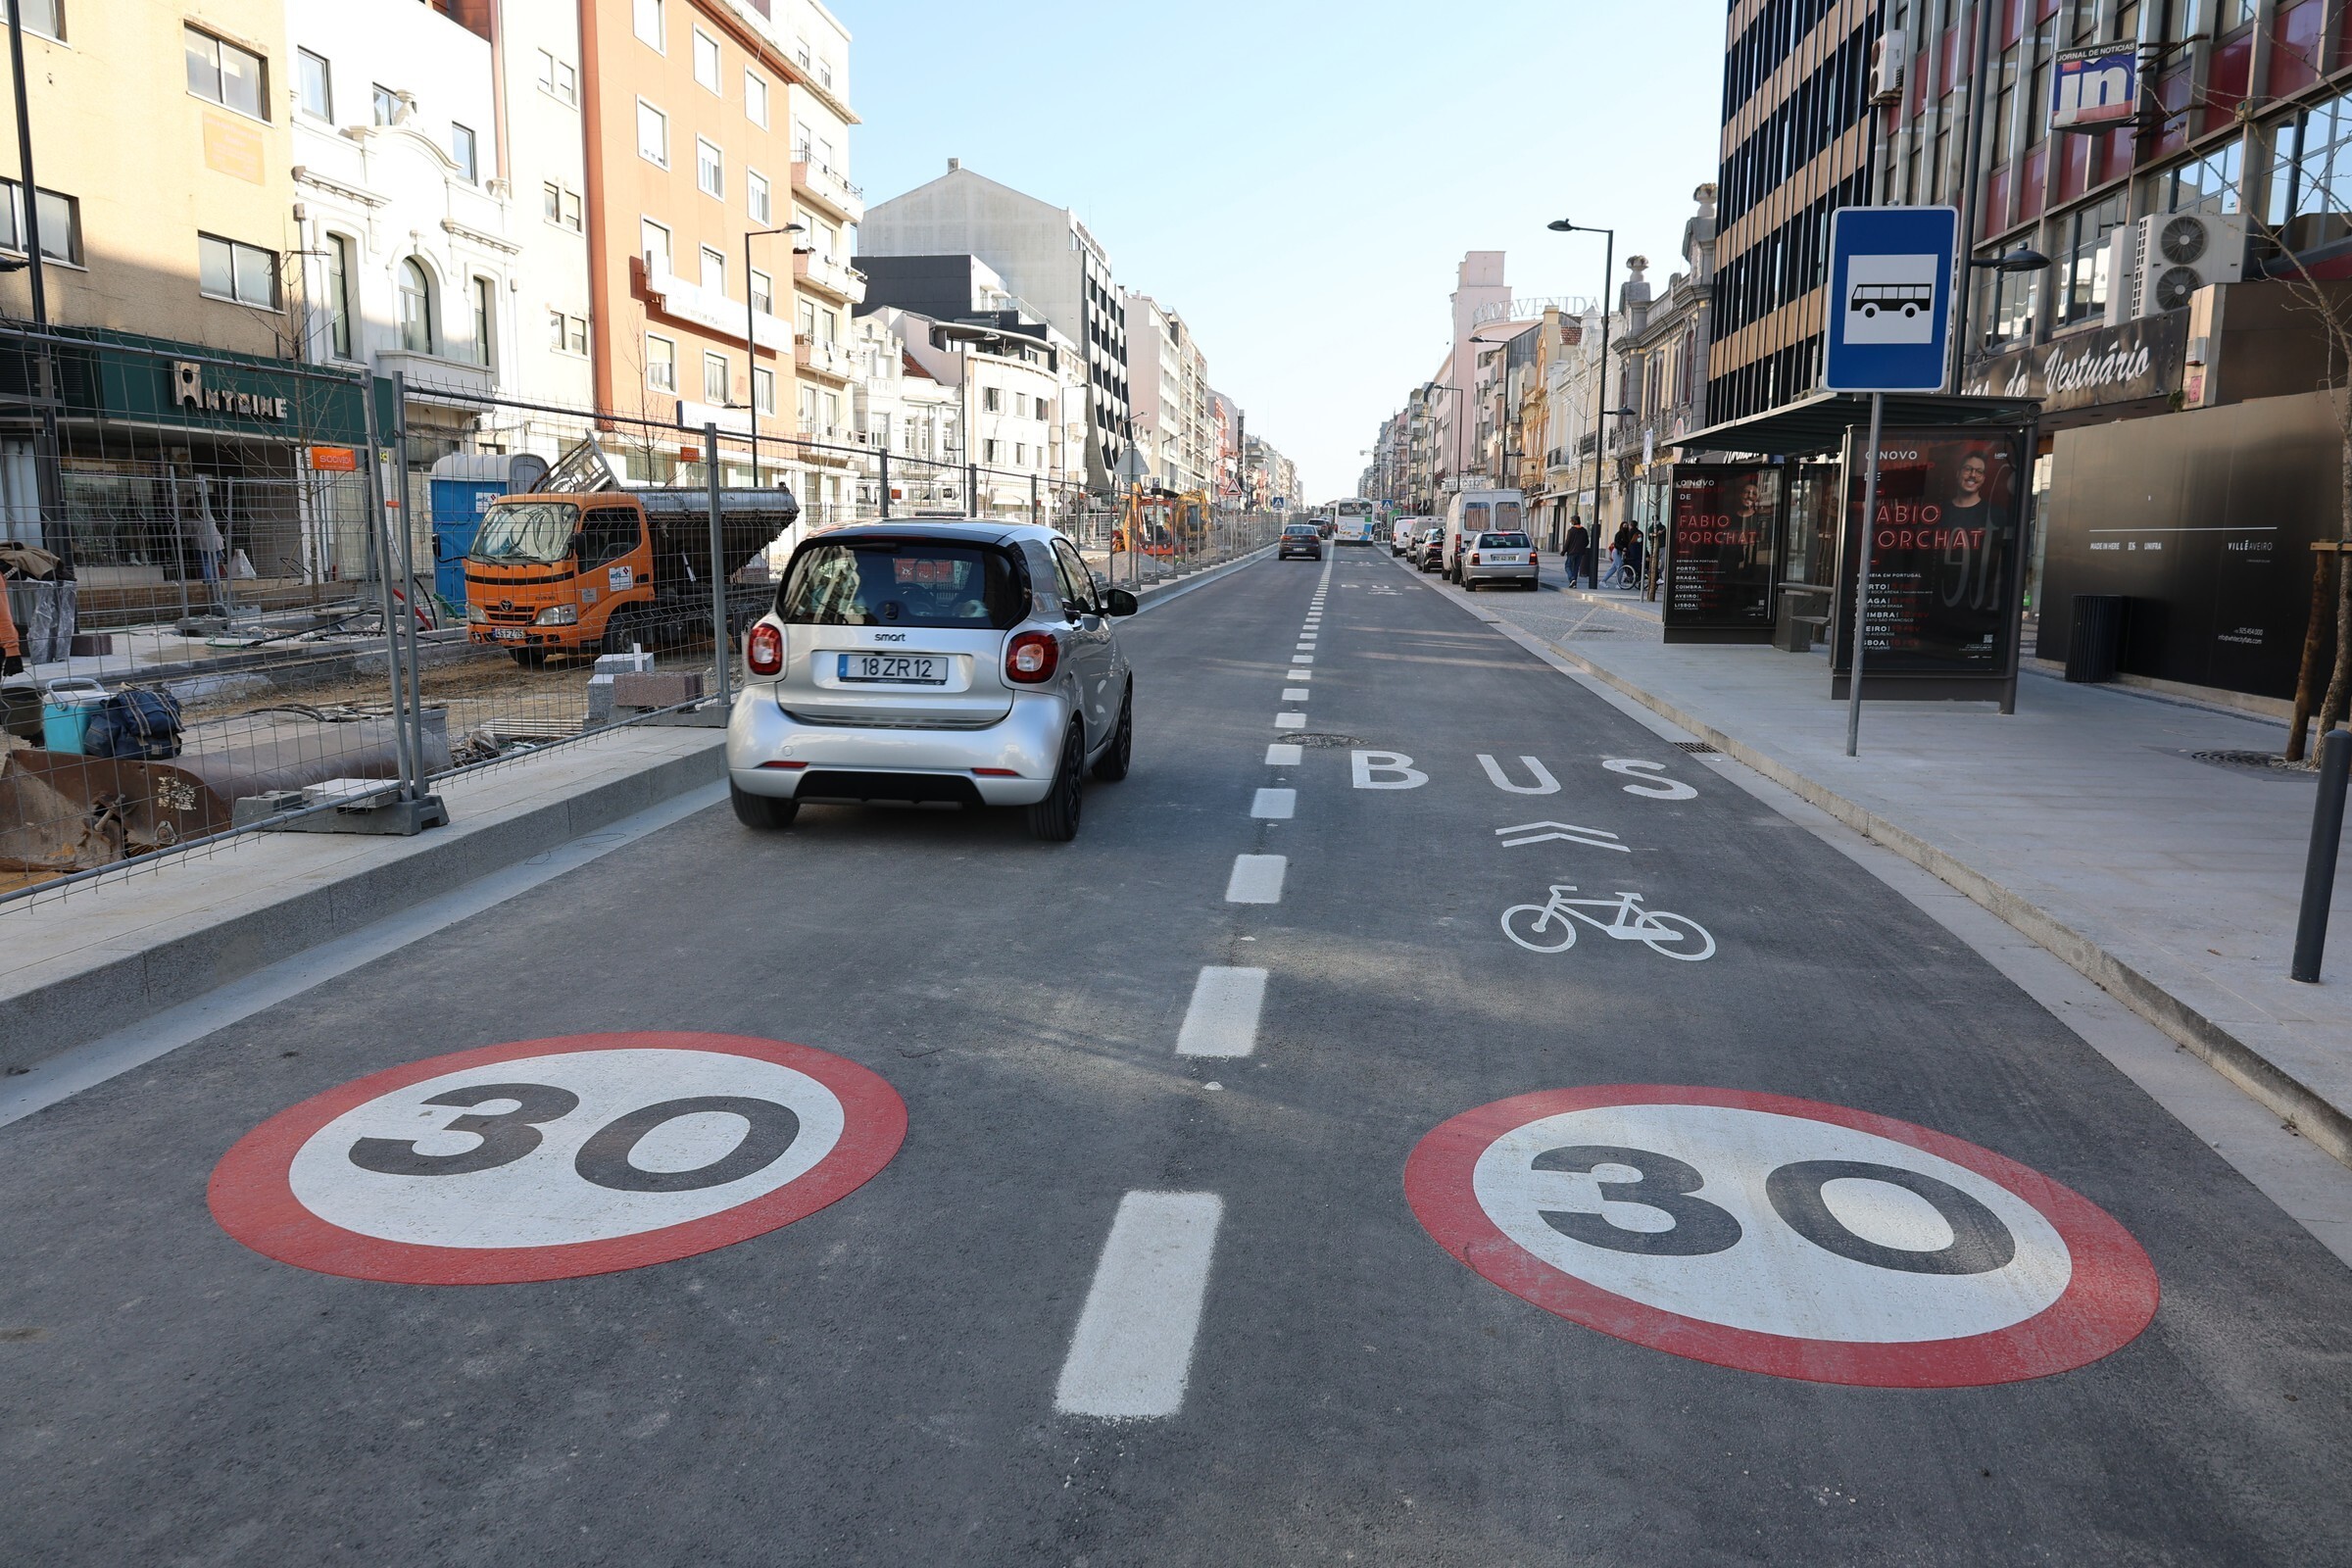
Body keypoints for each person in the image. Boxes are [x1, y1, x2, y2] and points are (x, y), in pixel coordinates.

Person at [1564, 517, 1590, 588]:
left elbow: (1568, 542)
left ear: (1573, 522)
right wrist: (1582, 547)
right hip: (1580, 552)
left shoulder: (1571, 531)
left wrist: (1563, 551)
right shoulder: (1584, 530)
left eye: (1571, 521)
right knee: (1576, 567)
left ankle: (1572, 578)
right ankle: (1574, 582)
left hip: (1572, 551)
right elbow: (1587, 541)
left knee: (1567, 566)